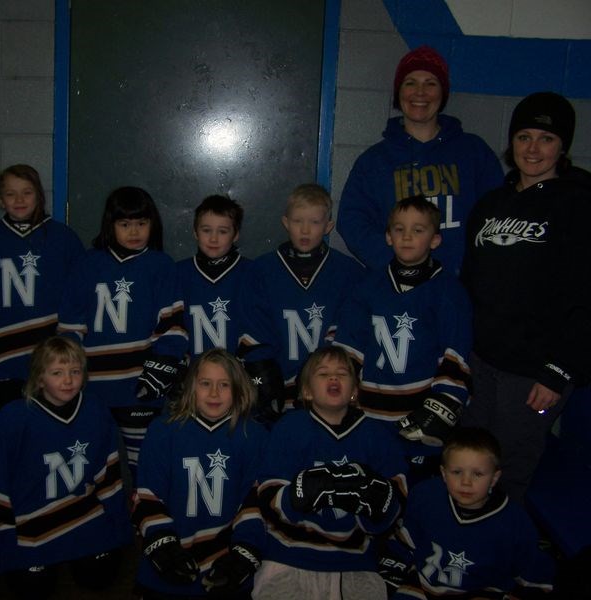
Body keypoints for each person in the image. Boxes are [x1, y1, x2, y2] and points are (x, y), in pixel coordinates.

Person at [461, 91, 591, 502]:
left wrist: (559, 371)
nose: (532, 148)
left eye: (546, 138)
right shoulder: (490, 204)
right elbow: (472, 282)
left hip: (536, 376)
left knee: (508, 470)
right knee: (468, 461)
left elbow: (585, 296)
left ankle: (499, 559)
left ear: (563, 146)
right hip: (482, 364)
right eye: (524, 136)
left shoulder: (579, 205)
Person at [0, 336, 131, 599]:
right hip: (32, 525)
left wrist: (118, 527)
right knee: (32, 589)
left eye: (75, 371)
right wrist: (5, 542)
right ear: (39, 378)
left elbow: (109, 475)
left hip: (84, 517)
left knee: (100, 578)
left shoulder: (94, 409)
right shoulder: (13, 419)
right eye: (57, 373)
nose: (68, 380)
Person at [334, 195, 471, 478]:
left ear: (435, 239)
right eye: (399, 229)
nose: (407, 237)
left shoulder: (448, 291)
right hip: (368, 414)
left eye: (418, 230)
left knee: (418, 491)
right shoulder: (368, 286)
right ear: (388, 236)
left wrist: (444, 403)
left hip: (420, 414)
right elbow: (349, 344)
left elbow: (456, 352)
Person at [254, 346, 407, 599]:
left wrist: (379, 501)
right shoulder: (290, 427)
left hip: (355, 564)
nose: (334, 378)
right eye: (323, 374)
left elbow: (395, 506)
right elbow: (267, 496)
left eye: (343, 374)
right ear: (306, 391)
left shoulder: (376, 435)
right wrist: (301, 493)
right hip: (289, 558)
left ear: (355, 391)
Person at [337, 45, 503, 275]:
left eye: (431, 83)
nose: (420, 92)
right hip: (398, 292)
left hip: (461, 288)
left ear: (443, 93)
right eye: (410, 83)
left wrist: (470, 266)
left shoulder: (473, 152)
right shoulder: (374, 161)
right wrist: (399, 265)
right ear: (399, 92)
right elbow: (352, 221)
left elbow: (497, 215)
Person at [57, 186, 187, 477]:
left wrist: (161, 369)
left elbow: (173, 328)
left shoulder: (160, 265)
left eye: (141, 223)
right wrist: (69, 375)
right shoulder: (87, 264)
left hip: (140, 390)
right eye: (125, 224)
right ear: (110, 225)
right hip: (93, 389)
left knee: (141, 472)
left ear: (152, 225)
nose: (134, 231)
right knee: (96, 471)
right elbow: (70, 328)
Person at [132, 348, 268, 599]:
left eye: (224, 384)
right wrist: (161, 543)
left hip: (227, 560)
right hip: (170, 556)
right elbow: (148, 494)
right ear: (190, 386)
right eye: (205, 383)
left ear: (238, 389)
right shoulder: (163, 431)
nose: (214, 393)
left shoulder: (253, 436)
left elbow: (254, 502)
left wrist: (244, 553)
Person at [0, 164, 84, 419]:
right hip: (2, 361)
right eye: (10, 194)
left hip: (52, 364)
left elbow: (79, 299)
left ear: (39, 195)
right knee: (8, 439)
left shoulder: (63, 238)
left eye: (27, 192)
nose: (19, 200)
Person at [238, 184, 363, 422]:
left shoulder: (349, 273)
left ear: (328, 226)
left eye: (315, 223)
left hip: (328, 392)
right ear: (285, 222)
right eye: (298, 221)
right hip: (276, 388)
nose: (305, 230)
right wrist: (262, 376)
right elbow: (253, 327)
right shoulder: (261, 271)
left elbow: (351, 329)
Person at [392, 427, 554, 598]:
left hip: (483, 590)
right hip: (423, 583)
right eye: (456, 472)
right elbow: (406, 542)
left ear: (494, 478)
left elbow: (533, 572)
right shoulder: (425, 495)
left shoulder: (514, 522)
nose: (466, 482)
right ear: (443, 474)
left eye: (477, 474)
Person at [177, 195, 252, 356]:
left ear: (236, 234)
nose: (213, 238)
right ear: (195, 232)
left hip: (237, 376)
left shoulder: (252, 273)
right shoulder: (177, 274)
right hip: (193, 376)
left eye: (223, 231)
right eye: (206, 230)